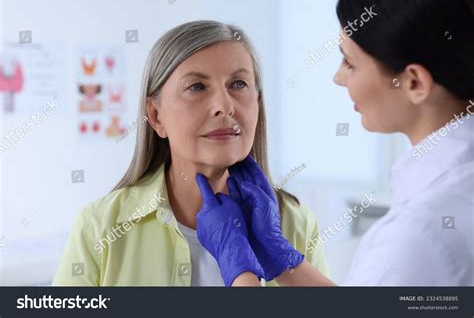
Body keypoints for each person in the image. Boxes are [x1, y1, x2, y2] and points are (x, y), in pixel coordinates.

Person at [195, 0, 474, 286]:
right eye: (196, 87)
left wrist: (241, 273)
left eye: (350, 63)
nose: (338, 78)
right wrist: (280, 257)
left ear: (414, 82)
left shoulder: (419, 236)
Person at [53, 20, 329, 286]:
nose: (225, 106)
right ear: (156, 115)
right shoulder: (101, 226)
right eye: (197, 87)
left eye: (238, 84)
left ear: (258, 103)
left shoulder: (295, 223)